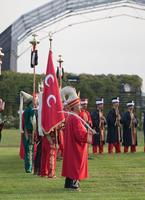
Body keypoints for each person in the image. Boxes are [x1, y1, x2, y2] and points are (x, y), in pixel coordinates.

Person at [61, 86, 94, 191]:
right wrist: (89, 133)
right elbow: (79, 134)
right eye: (79, 105)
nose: (80, 107)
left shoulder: (71, 117)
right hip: (76, 147)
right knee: (76, 165)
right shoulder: (75, 118)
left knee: (71, 165)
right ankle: (74, 184)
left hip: (71, 146)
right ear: (74, 106)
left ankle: (68, 183)